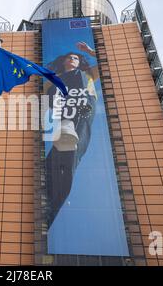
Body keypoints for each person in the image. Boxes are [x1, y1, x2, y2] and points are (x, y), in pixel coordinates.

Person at [44, 42, 99, 228]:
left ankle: (70, 134)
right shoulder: (55, 78)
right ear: (63, 61)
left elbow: (109, 61)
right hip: (63, 108)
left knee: (72, 149)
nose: (72, 60)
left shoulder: (87, 74)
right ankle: (48, 205)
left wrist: (90, 52)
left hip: (84, 106)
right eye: (69, 57)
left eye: (76, 58)